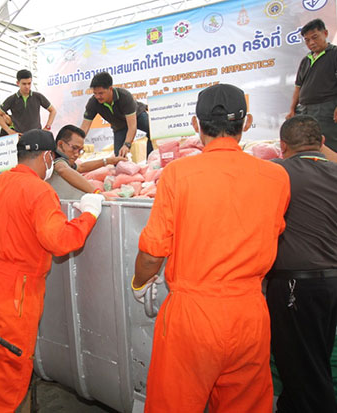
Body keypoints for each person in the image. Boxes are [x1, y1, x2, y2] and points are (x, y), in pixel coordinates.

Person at [132, 84, 290, 412]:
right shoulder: (276, 177)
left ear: (195, 124)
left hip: (193, 316)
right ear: (246, 123)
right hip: (250, 314)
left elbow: (152, 252)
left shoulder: (178, 174)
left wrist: (139, 283)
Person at [0, 129, 104, 412]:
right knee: (7, 382)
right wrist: (89, 214)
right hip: (15, 296)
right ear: (46, 156)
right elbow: (61, 241)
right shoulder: (39, 190)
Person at [267, 115, 337, 413]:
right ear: (322, 143)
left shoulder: (276, 173)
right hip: (331, 281)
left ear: (282, 146)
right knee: (315, 357)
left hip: (295, 286)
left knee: (301, 368)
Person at [286, 18, 337, 152]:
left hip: (327, 109)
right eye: (307, 40)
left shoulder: (335, 53)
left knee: (329, 145)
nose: (311, 43)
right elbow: (298, 87)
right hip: (304, 110)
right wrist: (292, 109)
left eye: (315, 37)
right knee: (307, 146)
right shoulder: (305, 60)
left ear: (325, 33)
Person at [80, 72, 151, 157]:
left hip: (137, 116)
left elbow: (132, 126)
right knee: (119, 157)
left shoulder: (124, 96)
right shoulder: (93, 102)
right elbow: (84, 127)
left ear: (110, 89)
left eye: (101, 93)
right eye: (95, 93)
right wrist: (78, 142)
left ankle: (150, 160)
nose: (98, 96)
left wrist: (127, 145)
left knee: (153, 130)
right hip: (119, 126)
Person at [0, 69, 57, 134]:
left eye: (29, 83)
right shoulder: (12, 99)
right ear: (18, 83)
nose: (27, 86)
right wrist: (9, 130)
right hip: (20, 138)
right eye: (24, 84)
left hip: (37, 136)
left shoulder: (38, 96)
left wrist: (47, 127)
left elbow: (53, 111)